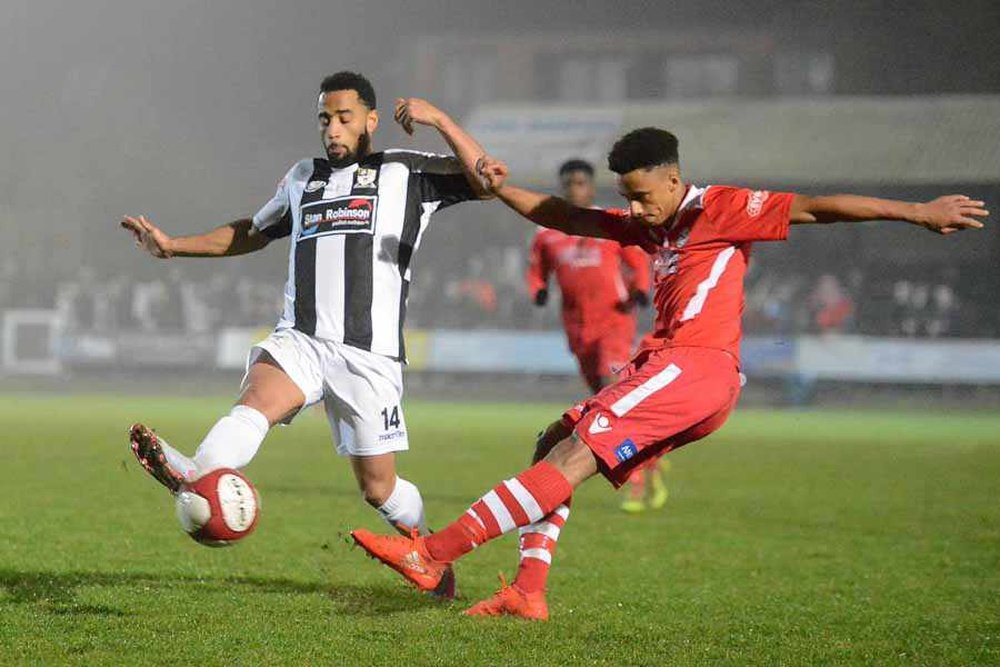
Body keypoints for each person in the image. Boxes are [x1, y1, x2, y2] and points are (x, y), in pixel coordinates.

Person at [350, 126, 988, 620]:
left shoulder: (723, 206)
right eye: (629, 197)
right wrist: (494, 188)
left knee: (571, 458)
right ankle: (527, 591)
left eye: (644, 196)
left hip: (696, 365)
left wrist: (919, 213)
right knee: (554, 445)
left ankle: (432, 553)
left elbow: (818, 207)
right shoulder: (657, 224)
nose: (638, 210)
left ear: (674, 178)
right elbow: (568, 217)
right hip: (669, 366)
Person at [120, 72, 491, 598]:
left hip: (369, 353)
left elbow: (486, 180)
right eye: (324, 119)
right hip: (302, 338)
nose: (333, 129)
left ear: (370, 120)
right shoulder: (303, 177)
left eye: (344, 118)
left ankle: (430, 553)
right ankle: (198, 470)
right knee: (255, 401)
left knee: (379, 489)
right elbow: (253, 231)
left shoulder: (406, 171)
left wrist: (440, 120)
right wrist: (173, 245)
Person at [525, 159, 664, 513]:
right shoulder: (548, 233)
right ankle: (652, 459)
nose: (574, 187)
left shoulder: (609, 223)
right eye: (568, 182)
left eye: (580, 182)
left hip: (614, 323)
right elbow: (536, 270)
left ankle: (633, 483)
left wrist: (641, 287)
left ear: (590, 186)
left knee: (609, 396)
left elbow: (636, 259)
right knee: (602, 399)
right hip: (577, 328)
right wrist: (538, 289)